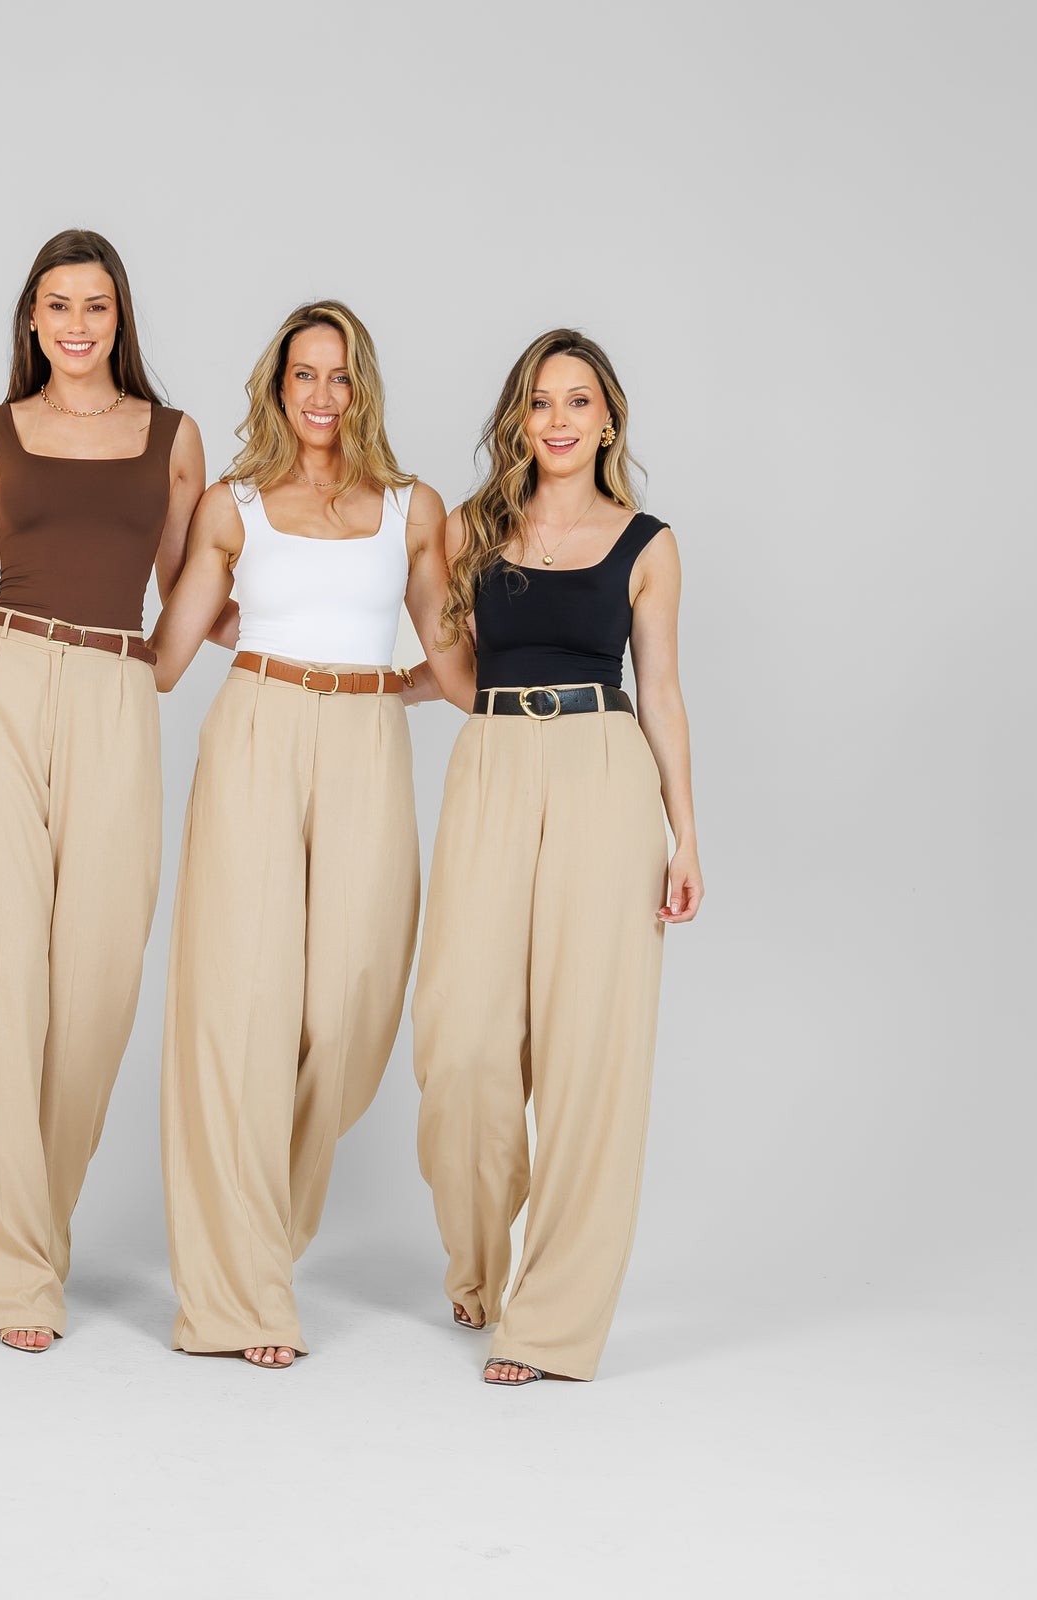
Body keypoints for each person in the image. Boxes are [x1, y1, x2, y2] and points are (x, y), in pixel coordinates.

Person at [0, 229, 203, 1354]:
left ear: (121, 318)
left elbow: (186, 590)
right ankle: (0, 1276)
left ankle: (32, 1230)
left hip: (116, 690)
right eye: (58, 304)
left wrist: (297, 604)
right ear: (31, 318)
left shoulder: (173, 439)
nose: (77, 325)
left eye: (96, 306)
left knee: (97, 985)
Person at [144, 300, 460, 1369]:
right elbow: (167, 656)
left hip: (367, 734)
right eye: (303, 376)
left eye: (339, 376)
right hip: (256, 727)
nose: (321, 396)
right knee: (242, 1010)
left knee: (350, 1001)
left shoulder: (414, 509)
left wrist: (405, 686)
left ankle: (257, 1236)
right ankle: (244, 1292)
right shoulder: (232, 507)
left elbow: (457, 666)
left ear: (362, 387)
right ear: (277, 389)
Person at [411, 328, 702, 1385]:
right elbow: (446, 662)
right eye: (541, 402)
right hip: (492, 758)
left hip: (605, 771)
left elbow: (660, 693)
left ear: (608, 418)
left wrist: (684, 833)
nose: (560, 419)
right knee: (463, 1042)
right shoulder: (471, 528)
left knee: (592, 1053)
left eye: (579, 401)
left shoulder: (648, 544)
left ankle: (550, 1323)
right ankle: (481, 1262)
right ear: (519, 420)